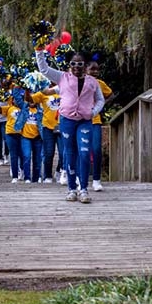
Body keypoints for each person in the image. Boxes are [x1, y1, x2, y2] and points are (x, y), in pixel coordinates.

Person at [36, 48, 104, 203]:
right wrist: (39, 50)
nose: (76, 66)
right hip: (66, 120)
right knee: (69, 152)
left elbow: (100, 99)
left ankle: (84, 189)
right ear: (69, 64)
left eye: (80, 64)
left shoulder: (93, 82)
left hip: (85, 120)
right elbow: (44, 69)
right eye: (73, 63)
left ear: (85, 65)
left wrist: (93, 112)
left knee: (85, 152)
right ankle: (72, 188)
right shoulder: (62, 77)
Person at [87, 58, 114, 192]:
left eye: (97, 69)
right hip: (80, 120)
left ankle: (96, 179)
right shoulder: (80, 82)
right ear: (86, 69)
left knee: (96, 149)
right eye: (92, 69)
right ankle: (81, 178)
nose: (95, 72)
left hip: (95, 120)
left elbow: (110, 95)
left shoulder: (100, 84)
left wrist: (101, 104)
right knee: (82, 150)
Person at [30, 85, 62, 183]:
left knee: (63, 152)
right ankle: (48, 176)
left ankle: (59, 171)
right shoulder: (44, 91)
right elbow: (30, 100)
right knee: (48, 152)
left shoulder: (65, 88)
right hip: (48, 126)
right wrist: (26, 89)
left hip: (62, 125)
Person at [0, 88, 25, 183]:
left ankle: (23, 171)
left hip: (22, 134)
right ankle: (15, 176)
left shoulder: (24, 108)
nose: (16, 100)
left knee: (22, 154)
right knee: (14, 154)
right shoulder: (9, 108)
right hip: (10, 133)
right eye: (15, 99)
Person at [18, 92, 44, 183]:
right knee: (26, 156)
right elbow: (18, 97)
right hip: (25, 137)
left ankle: (36, 178)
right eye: (30, 99)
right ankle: (27, 177)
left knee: (38, 159)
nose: (32, 101)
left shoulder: (41, 111)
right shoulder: (24, 108)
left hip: (38, 137)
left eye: (34, 99)